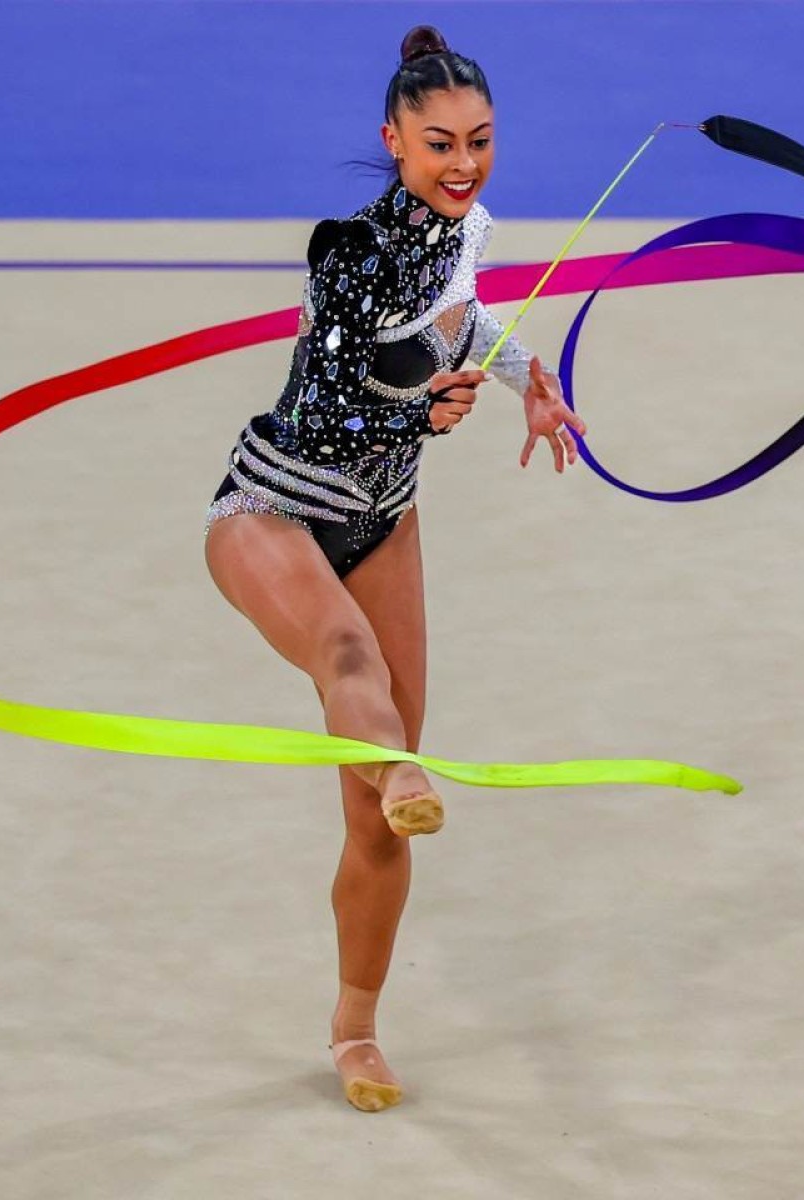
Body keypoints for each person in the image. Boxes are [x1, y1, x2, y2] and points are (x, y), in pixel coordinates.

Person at [203, 24, 586, 1113]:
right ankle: (406, 770)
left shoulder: (463, 234)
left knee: (371, 816)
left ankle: (355, 1032)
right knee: (345, 659)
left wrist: (527, 377)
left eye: (480, 140)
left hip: (383, 517)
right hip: (276, 505)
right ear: (393, 140)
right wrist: (421, 402)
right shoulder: (348, 248)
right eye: (438, 145)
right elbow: (334, 389)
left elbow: (458, 322)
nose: (463, 162)